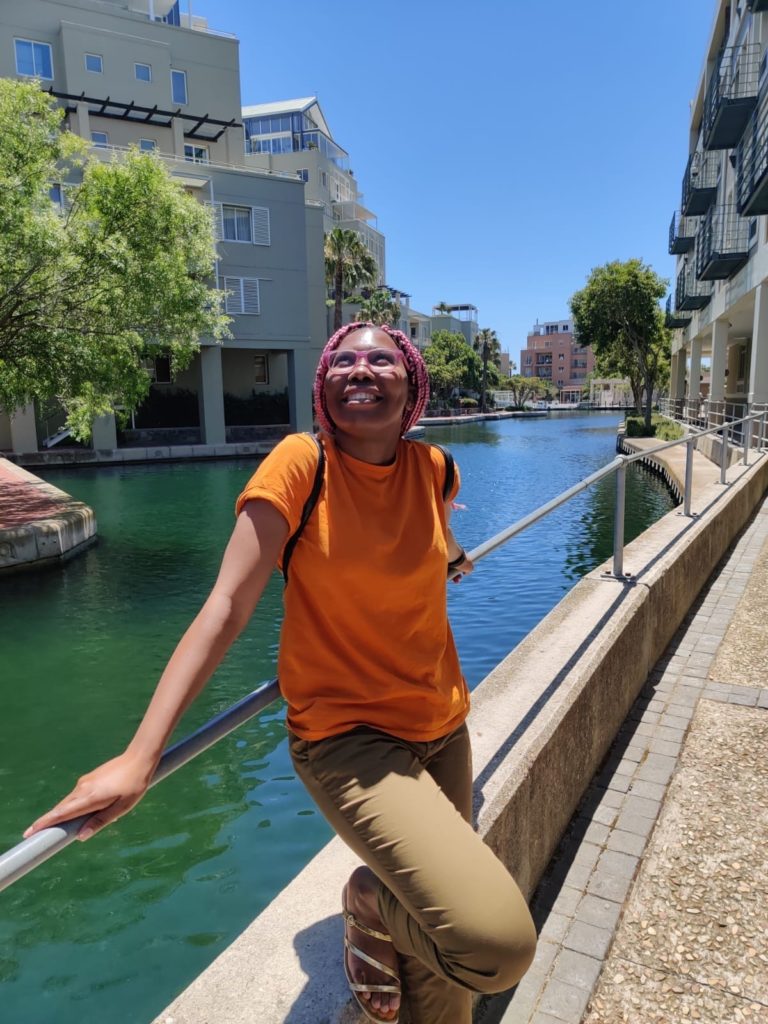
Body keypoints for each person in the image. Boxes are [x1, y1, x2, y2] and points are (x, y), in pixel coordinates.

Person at [25, 323, 537, 1023]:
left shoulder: (436, 467)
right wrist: (141, 756)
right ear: (324, 385)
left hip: (444, 725)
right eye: (344, 360)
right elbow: (227, 608)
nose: (361, 369)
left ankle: (389, 925)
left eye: (381, 359)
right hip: (349, 739)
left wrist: (450, 550)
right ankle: (367, 899)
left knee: (444, 983)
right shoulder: (301, 463)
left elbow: (437, 533)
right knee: (493, 946)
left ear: (412, 384)